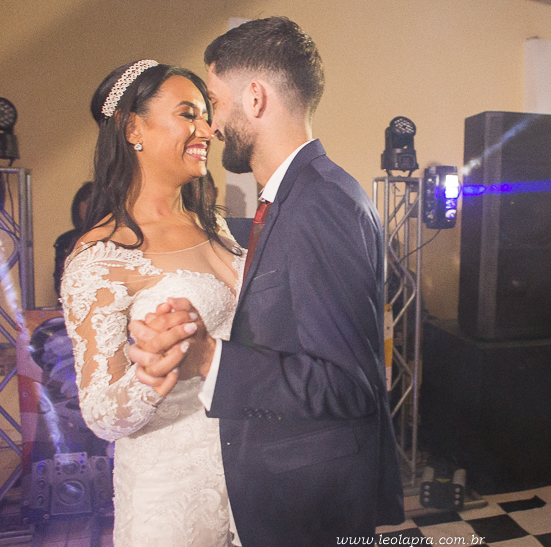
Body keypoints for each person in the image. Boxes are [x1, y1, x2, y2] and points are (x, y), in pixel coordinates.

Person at [128, 17, 405, 546]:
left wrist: (209, 358)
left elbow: (350, 384)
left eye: (214, 102)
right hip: (287, 488)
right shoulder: (291, 198)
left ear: (254, 98)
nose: (210, 126)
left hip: (312, 503)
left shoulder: (320, 204)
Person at [60, 60, 243, 546]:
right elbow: (101, 415)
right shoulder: (101, 257)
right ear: (132, 128)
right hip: (172, 495)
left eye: (206, 116)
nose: (207, 130)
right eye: (188, 114)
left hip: (249, 478)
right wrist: (150, 376)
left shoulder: (215, 226)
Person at [53, 181, 92, 295]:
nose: (88, 208)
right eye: (86, 203)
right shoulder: (65, 240)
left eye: (92, 204)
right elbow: (59, 283)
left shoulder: (114, 239)